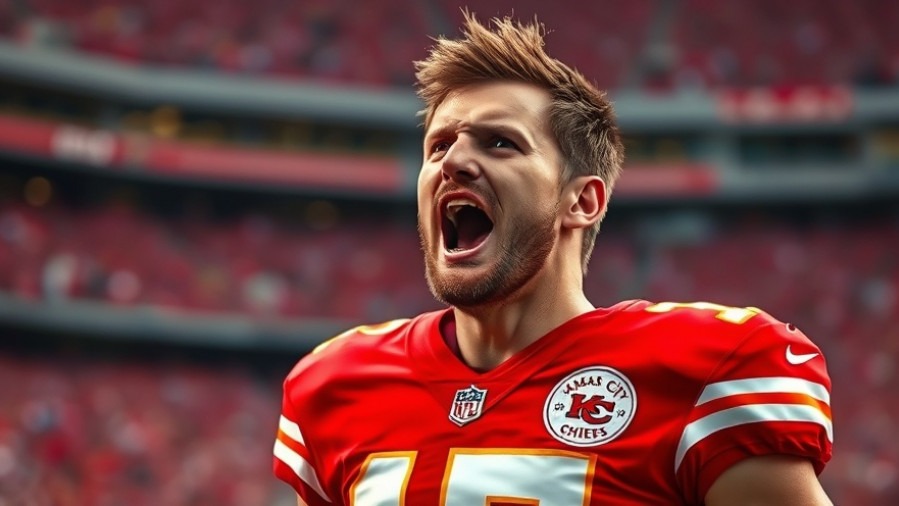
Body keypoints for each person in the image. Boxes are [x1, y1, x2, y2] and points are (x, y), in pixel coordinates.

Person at [273, 12, 834, 506]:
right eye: (439, 146)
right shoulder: (337, 383)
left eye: (500, 143)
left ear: (582, 201)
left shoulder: (708, 370)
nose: (455, 161)